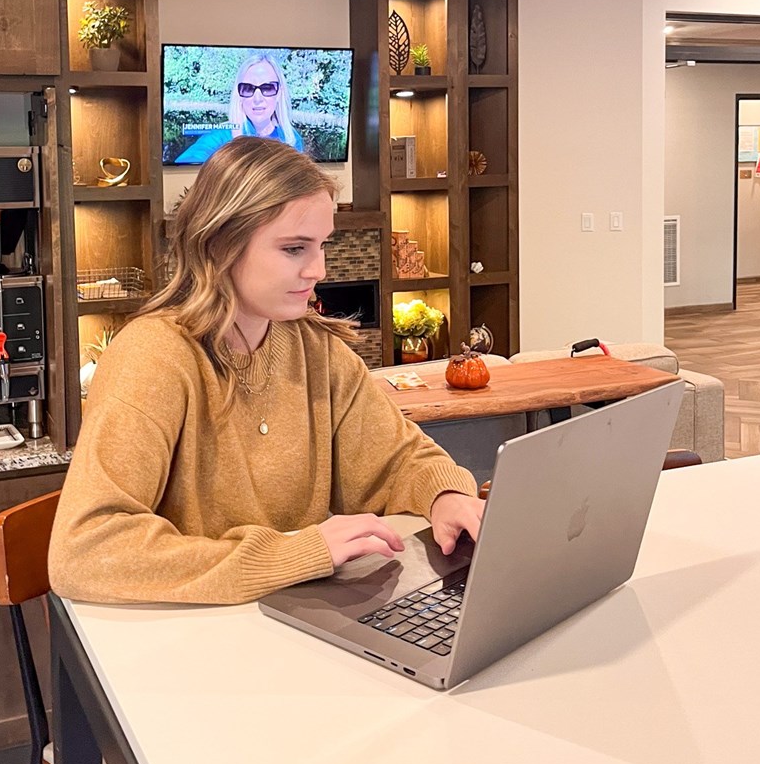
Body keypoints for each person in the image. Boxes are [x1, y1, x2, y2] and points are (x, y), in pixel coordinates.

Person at [49, 136, 484, 606]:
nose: (318, 269)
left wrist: (445, 496)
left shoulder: (316, 349)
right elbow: (85, 550)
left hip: (287, 624)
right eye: (294, 249)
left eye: (321, 246)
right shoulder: (152, 357)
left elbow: (398, 459)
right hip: (190, 645)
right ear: (220, 244)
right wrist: (293, 554)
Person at [173, 51, 304, 164]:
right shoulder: (221, 136)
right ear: (239, 95)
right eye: (248, 89)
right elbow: (190, 159)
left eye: (267, 88)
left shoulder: (291, 138)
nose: (257, 99)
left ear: (279, 92)